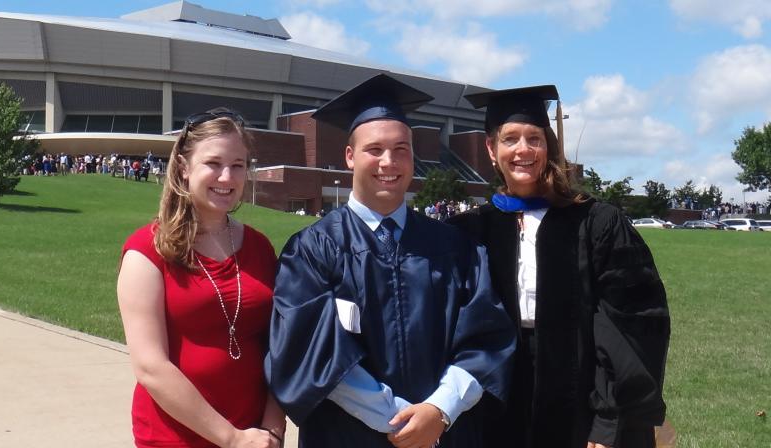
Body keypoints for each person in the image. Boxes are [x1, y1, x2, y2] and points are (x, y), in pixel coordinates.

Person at [265, 74, 516, 448]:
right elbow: (310, 352)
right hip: (347, 438)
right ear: (349, 156)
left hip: (444, 434)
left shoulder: (455, 248)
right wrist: (398, 421)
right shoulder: (313, 250)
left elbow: (487, 339)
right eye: (375, 149)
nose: (389, 161)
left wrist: (439, 410)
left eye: (401, 149)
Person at [448, 85, 670, 448]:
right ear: (491, 149)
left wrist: (608, 423)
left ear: (548, 146)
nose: (523, 150)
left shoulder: (596, 224)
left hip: (579, 399)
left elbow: (633, 324)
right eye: (510, 139)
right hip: (496, 401)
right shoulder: (469, 230)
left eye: (534, 138)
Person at [117, 108, 286, 448]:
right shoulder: (147, 252)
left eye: (238, 165)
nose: (227, 177)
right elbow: (150, 366)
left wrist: (272, 429)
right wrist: (231, 438)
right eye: (213, 163)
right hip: (173, 438)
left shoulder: (260, 247)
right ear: (183, 167)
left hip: (254, 437)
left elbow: (280, 347)